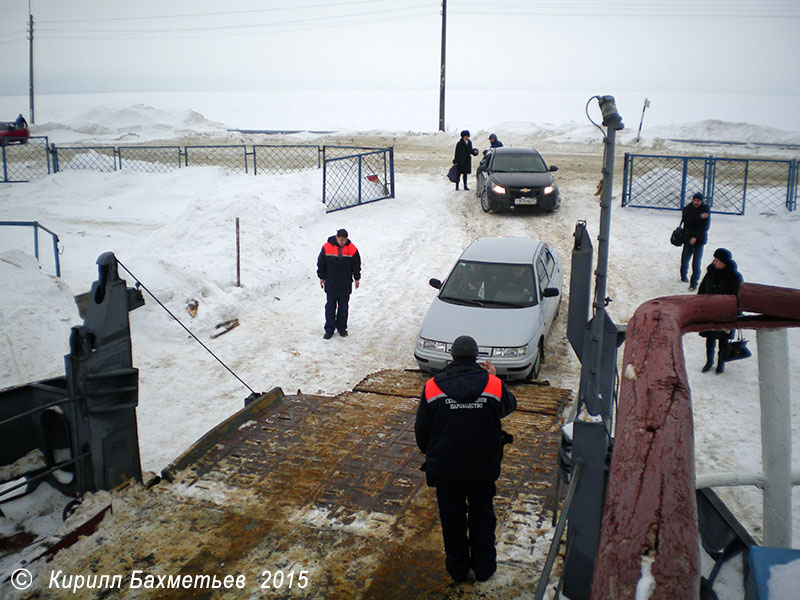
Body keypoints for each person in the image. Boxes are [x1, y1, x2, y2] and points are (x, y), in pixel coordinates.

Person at [415, 335, 517, 583]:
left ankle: (458, 569)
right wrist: (494, 377)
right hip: (482, 466)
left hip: (446, 469)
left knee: (453, 521)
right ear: (476, 358)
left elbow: (422, 431)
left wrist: (435, 453)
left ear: (452, 357)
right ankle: (484, 569)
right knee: (483, 517)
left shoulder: (433, 386)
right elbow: (508, 407)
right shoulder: (492, 385)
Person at [697, 248, 742, 374]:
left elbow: (738, 296)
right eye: (714, 259)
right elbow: (702, 289)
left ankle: (721, 363)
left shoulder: (734, 277)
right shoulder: (710, 272)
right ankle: (709, 361)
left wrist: (735, 313)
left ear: (724, 262)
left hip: (724, 314)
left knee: (723, 341)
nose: (714, 262)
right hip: (709, 312)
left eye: (717, 260)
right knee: (709, 339)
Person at [316, 228, 361, 339]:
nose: (342, 242)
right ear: (336, 238)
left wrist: (357, 278)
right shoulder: (327, 247)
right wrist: (321, 277)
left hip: (345, 283)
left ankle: (342, 328)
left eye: (344, 240)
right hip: (331, 282)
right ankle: (329, 329)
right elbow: (321, 263)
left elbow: (356, 265)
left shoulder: (352, 249)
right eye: (340, 240)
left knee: (343, 307)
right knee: (330, 306)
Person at [679, 191, 711, 290]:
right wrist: (699, 217)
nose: (696, 202)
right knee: (685, 260)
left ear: (702, 201)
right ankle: (683, 276)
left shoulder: (706, 210)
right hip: (688, 238)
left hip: (699, 240)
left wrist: (696, 237)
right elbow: (686, 221)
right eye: (695, 200)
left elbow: (704, 227)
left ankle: (694, 283)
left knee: (696, 263)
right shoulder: (687, 209)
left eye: (698, 201)